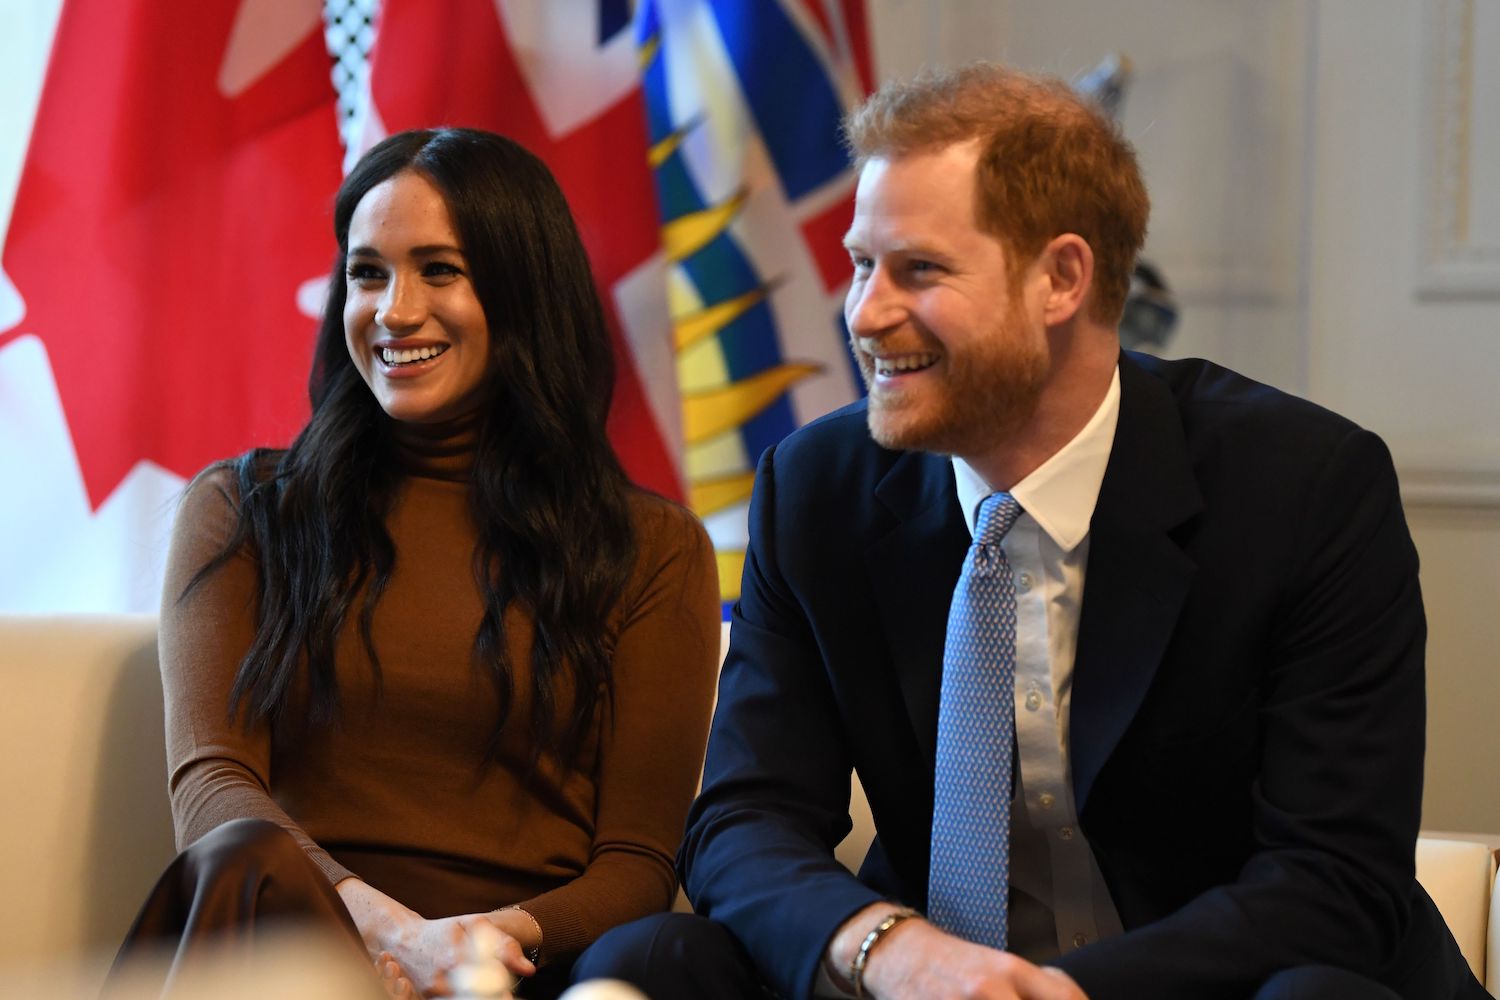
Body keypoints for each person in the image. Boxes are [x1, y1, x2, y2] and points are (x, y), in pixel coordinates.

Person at [574, 64, 1486, 999]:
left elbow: (1332, 881)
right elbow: (743, 819)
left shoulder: (1304, 485)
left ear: (1061, 277)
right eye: (860, 264)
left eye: (918, 270)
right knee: (648, 961)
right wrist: (887, 950)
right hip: (927, 980)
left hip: (1215, 984)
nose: (865, 313)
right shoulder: (816, 487)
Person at [110, 127, 721, 999]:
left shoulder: (652, 548)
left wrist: (471, 953)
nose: (394, 310)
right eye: (368, 272)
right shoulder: (244, 509)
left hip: (524, 970)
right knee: (244, 858)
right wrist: (389, 936)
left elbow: (636, 860)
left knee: (670, 954)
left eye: (439, 270)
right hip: (301, 954)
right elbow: (213, 785)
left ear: (524, 292)